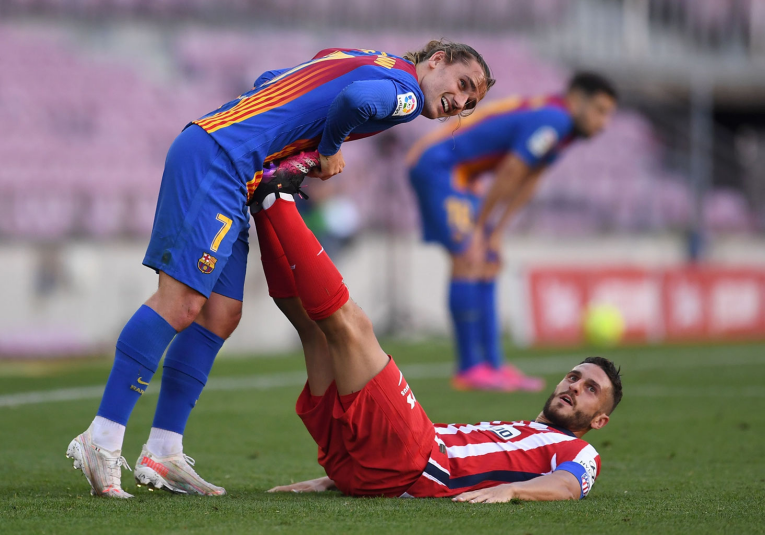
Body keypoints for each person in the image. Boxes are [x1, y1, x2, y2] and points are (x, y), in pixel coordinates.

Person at [66, 41, 495, 498]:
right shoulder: (406, 94)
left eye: (470, 104)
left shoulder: (365, 57)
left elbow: (271, 79)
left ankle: (163, 451)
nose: (460, 103)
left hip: (232, 164)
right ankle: (102, 438)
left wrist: (279, 134)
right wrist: (328, 148)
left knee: (220, 314)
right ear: (435, 60)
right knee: (182, 302)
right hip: (220, 159)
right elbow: (354, 102)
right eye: (462, 85)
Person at [251, 185, 622, 502]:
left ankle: (279, 199)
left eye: (590, 389)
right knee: (313, 333)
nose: (575, 386)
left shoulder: (582, 452)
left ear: (600, 420)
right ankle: (263, 210)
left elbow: (567, 486)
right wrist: (335, 479)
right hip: (365, 467)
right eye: (574, 377)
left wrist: (512, 491)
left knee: (353, 326)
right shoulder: (525, 431)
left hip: (414, 459)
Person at [407, 72, 618, 392]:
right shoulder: (555, 119)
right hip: (441, 165)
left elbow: (530, 178)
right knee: (468, 256)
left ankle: (494, 364)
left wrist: (496, 231)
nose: (604, 124)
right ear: (578, 99)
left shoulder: (563, 128)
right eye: (600, 111)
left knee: (488, 257)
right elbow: (511, 171)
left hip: (463, 171)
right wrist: (481, 227)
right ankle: (469, 369)